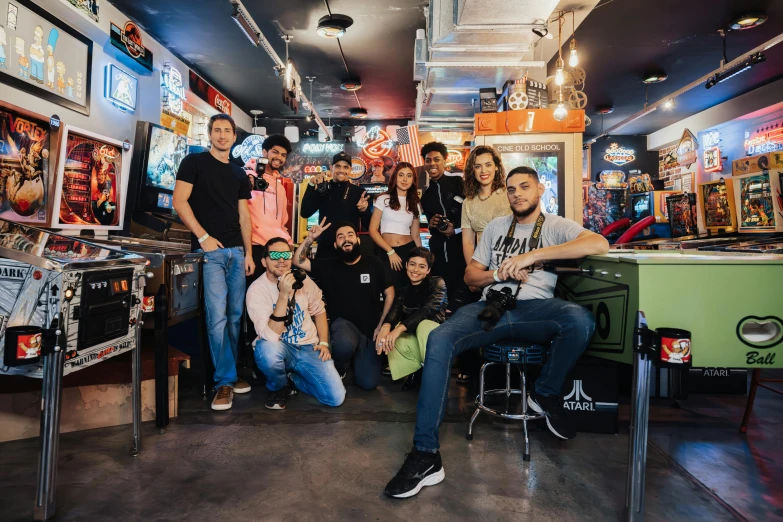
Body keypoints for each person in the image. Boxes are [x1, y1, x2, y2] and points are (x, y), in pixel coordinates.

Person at [384, 166, 610, 499]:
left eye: (525, 187)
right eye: (513, 189)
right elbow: (471, 277)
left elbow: (599, 243)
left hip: (534, 310)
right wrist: (499, 274)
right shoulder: (494, 227)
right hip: (491, 307)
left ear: (539, 190)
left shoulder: (556, 225)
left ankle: (544, 393)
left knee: (579, 320)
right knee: (439, 338)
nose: (518, 193)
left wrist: (532, 257)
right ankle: (426, 454)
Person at [173, 113, 255, 411]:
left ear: (234, 137)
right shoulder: (193, 163)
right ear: (210, 134)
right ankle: (223, 382)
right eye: (217, 130)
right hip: (211, 255)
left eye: (227, 131)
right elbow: (179, 201)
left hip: (237, 252)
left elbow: (244, 216)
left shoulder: (238, 173)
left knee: (235, 318)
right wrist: (204, 237)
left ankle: (229, 376)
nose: (222, 135)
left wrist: (249, 253)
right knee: (217, 317)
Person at [294, 221, 395, 390]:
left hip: (371, 331)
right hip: (343, 326)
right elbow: (298, 261)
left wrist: (383, 325)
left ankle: (355, 359)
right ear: (335, 244)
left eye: (350, 235)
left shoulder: (374, 263)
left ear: (358, 240)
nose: (346, 239)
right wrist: (310, 239)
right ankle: (340, 365)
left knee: (368, 383)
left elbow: (390, 294)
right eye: (340, 237)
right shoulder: (328, 265)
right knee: (344, 344)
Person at [247, 238, 345, 410]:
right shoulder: (257, 290)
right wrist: (283, 295)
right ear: (264, 261)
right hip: (280, 346)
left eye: (285, 254)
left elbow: (319, 310)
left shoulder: (303, 280)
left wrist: (323, 342)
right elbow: (270, 336)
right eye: (275, 255)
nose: (281, 260)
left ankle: (294, 378)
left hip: (308, 346)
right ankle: (278, 387)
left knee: (335, 398)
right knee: (267, 350)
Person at [378, 247, 447, 382]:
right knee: (391, 334)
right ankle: (415, 371)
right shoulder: (404, 288)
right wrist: (385, 327)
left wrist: (399, 329)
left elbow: (427, 310)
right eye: (412, 264)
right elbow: (395, 311)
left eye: (422, 266)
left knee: (423, 325)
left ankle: (434, 377)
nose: (416, 270)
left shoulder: (437, 283)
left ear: (428, 270)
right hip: (414, 336)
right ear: (406, 265)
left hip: (437, 338)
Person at [419, 142, 466, 306]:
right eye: (428, 160)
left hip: (461, 248)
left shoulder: (458, 182)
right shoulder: (426, 196)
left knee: (462, 294)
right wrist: (432, 223)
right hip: (438, 252)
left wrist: (457, 230)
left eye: (436, 159)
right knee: (441, 296)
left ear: (445, 161)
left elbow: (471, 215)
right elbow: (431, 223)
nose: (432, 163)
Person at [300, 151, 372, 259]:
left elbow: (369, 226)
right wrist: (311, 185)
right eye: (338, 166)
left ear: (350, 169)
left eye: (345, 167)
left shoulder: (359, 193)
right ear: (331, 167)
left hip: (349, 249)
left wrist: (364, 210)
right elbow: (305, 213)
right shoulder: (323, 189)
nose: (341, 170)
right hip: (325, 249)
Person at [245, 133, 293, 287]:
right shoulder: (248, 175)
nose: (279, 157)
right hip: (256, 248)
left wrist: (288, 242)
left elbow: (282, 222)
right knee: (254, 296)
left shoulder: (280, 187)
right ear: (264, 152)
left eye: (283, 155)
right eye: (275, 152)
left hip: (279, 250)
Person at [368, 162, 422, 289]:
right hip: (386, 251)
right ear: (395, 177)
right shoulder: (383, 199)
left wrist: (422, 257)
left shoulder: (415, 203)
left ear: (413, 180)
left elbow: (416, 235)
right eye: (401, 175)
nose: (405, 179)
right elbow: (372, 230)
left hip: (408, 250)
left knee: (407, 290)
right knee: (388, 290)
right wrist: (390, 251)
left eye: (409, 176)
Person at [461, 146, 511, 265]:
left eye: (488, 165)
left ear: (496, 166)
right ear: (472, 170)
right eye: (478, 166)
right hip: (482, 263)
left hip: (510, 260)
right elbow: (468, 242)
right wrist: (472, 271)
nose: (483, 171)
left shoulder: (509, 195)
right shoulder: (468, 202)